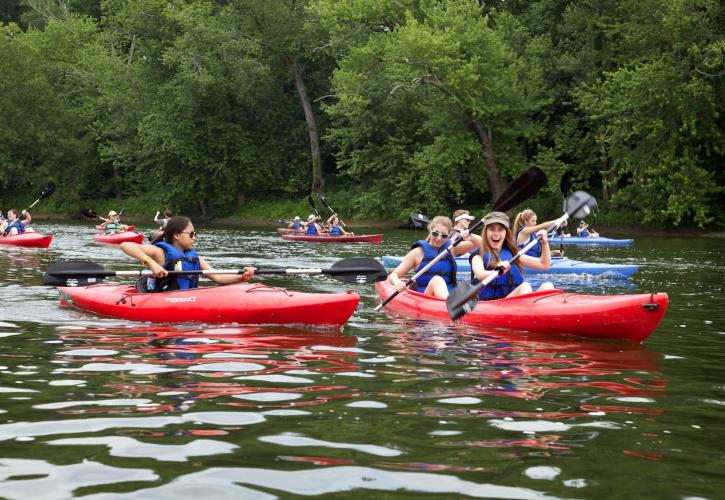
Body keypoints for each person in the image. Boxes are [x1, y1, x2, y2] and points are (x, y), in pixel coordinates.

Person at [120, 215, 255, 292]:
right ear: (177, 235)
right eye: (191, 234)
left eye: (195, 234)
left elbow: (219, 278)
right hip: (162, 300)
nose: (194, 237)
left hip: (188, 300)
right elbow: (126, 245)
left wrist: (242, 277)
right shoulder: (160, 252)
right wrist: (150, 263)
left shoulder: (196, 258)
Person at [388, 215, 482, 299]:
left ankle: (455, 303)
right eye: (435, 234)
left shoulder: (452, 249)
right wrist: (397, 282)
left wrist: (469, 235)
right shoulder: (417, 253)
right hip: (426, 297)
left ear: (449, 235)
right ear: (430, 231)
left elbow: (482, 243)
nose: (439, 238)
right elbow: (393, 275)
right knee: (437, 280)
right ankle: (452, 305)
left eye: (444, 236)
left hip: (450, 293)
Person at [470, 211, 553, 300]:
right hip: (491, 305)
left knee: (547, 286)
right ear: (485, 232)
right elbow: (480, 274)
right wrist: (497, 271)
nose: (496, 234)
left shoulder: (513, 254)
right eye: (491, 229)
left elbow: (544, 265)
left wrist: (545, 243)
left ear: (506, 233)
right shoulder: (478, 255)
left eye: (500, 230)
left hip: (512, 303)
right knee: (525, 287)